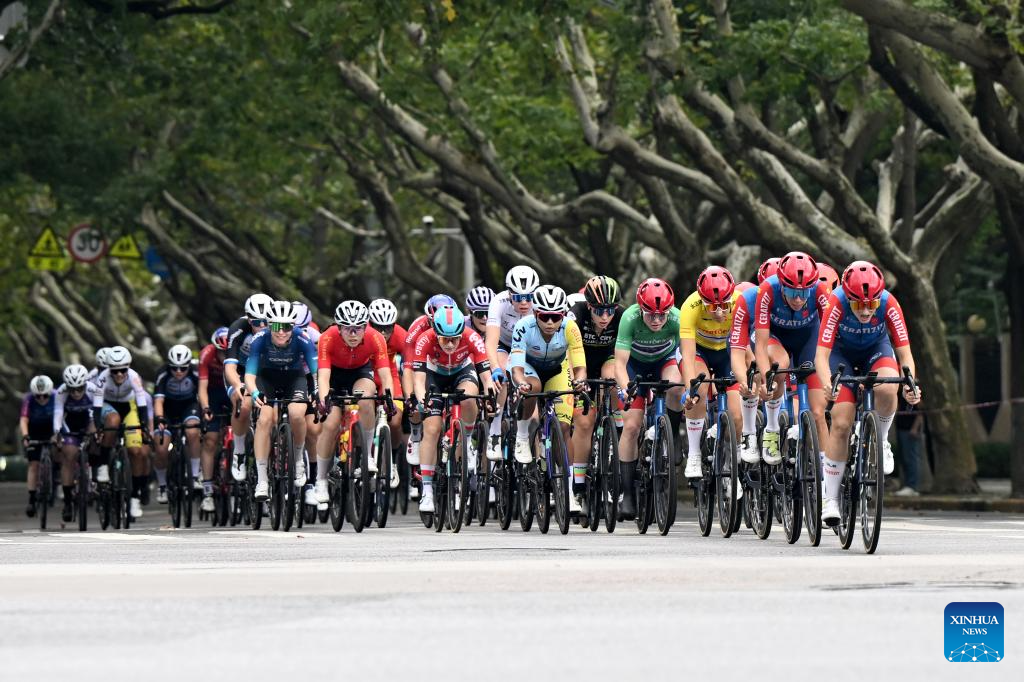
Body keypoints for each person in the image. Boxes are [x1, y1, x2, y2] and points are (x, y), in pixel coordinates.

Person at [814, 261, 921, 525]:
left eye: (870, 305)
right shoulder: (836, 303)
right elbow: (821, 354)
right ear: (848, 297)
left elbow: (904, 353)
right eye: (858, 304)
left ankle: (881, 441)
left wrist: (910, 382)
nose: (864, 310)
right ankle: (831, 499)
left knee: (888, 385)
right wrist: (828, 383)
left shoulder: (889, 302)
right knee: (840, 423)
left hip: (876, 349)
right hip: (841, 355)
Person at [509, 285, 587, 513]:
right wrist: (520, 382)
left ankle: (570, 490)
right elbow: (516, 369)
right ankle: (522, 435)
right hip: (529, 368)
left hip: (557, 369)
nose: (551, 322)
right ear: (535, 314)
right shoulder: (523, 327)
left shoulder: (570, 328)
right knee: (532, 387)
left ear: (562, 315)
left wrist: (580, 380)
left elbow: (580, 366)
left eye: (556, 317)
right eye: (545, 316)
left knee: (563, 427)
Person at [410, 306, 493, 513]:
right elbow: (418, 382)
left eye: (455, 339)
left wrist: (490, 391)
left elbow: (485, 375)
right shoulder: (424, 339)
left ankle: (468, 441)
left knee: (468, 398)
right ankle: (427, 490)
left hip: (461, 371)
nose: (449, 344)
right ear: (435, 333)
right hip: (434, 375)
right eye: (444, 339)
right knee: (431, 429)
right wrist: (423, 401)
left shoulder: (472, 337)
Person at [613, 278, 684, 519]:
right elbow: (619, 365)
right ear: (640, 310)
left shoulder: (677, 317)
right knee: (631, 426)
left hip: (664, 361)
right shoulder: (629, 318)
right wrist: (625, 389)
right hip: (635, 366)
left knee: (676, 386)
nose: (656, 320)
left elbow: (688, 355)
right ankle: (628, 494)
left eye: (661, 315)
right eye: (650, 315)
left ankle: (672, 433)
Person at [754, 252, 830, 466]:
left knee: (817, 412)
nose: (798, 299)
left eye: (804, 292)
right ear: (781, 285)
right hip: (775, 339)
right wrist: (766, 378)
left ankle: (824, 477)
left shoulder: (821, 291)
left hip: (808, 339)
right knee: (780, 365)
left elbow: (832, 341)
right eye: (791, 291)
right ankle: (772, 429)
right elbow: (760, 344)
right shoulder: (768, 290)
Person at [315, 300, 394, 503]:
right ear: (338, 327)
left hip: (360, 372)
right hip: (334, 375)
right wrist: (324, 400)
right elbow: (323, 377)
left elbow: (385, 376)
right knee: (330, 424)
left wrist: (388, 398)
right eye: (347, 329)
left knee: (367, 398)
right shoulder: (327, 338)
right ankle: (321, 480)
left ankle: (366, 455)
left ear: (365, 327)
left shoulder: (375, 338)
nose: (352, 334)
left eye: (358, 328)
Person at [244, 300, 320, 501]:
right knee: (264, 420)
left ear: (292, 326)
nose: (281, 332)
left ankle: (298, 461)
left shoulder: (302, 338)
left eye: (286, 327)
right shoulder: (259, 339)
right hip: (266, 378)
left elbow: (316, 372)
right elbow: (250, 376)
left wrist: (318, 391)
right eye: (276, 326)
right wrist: (254, 393)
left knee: (297, 414)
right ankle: (262, 480)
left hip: (294, 378)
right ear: (269, 325)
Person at [679, 266, 743, 480]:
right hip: (700, 352)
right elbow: (687, 355)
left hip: (728, 352)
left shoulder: (740, 302)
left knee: (736, 415)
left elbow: (747, 348)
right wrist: (690, 390)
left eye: (724, 306)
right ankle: (695, 453)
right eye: (712, 307)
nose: (719, 312)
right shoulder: (691, 306)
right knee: (700, 387)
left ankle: (730, 465)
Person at [567, 276, 624, 505]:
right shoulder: (576, 314)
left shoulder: (621, 317)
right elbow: (567, 353)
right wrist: (574, 382)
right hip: (581, 363)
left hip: (608, 359)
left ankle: (616, 420)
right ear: (589, 305)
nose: (605, 317)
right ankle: (578, 480)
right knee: (584, 422)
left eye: (609, 310)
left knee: (611, 377)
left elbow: (625, 355)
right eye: (599, 311)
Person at [485, 266, 540, 461]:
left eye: (528, 297)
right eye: (518, 298)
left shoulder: (539, 305)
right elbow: (490, 342)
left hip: (529, 349)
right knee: (503, 376)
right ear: (509, 294)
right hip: (504, 345)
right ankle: (495, 430)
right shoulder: (498, 302)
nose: (524, 303)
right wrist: (495, 369)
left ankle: (525, 434)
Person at [91, 345, 150, 518]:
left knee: (136, 451)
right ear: (109, 370)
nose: (118, 375)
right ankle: (103, 465)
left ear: (128, 368)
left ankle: (134, 499)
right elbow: (96, 407)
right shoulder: (102, 378)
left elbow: (141, 404)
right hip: (107, 406)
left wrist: (144, 426)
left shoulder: (134, 377)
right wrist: (98, 428)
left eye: (122, 370)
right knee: (113, 420)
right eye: (114, 371)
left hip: (129, 407)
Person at [223, 292, 275, 482]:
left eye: (265, 322)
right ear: (248, 318)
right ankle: (239, 453)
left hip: (262, 371)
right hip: (240, 370)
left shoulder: (277, 329)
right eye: (256, 322)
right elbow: (229, 366)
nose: (261, 326)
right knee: (244, 404)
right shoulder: (238, 329)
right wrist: (238, 384)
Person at [153, 345, 205, 510]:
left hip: (188, 407)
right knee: (161, 448)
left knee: (192, 432)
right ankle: (162, 486)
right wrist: (160, 418)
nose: (178, 371)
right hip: (167, 409)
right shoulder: (162, 374)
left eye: (183, 367)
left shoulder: (196, 372)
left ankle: (195, 475)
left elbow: (202, 394)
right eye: (174, 367)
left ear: (189, 365)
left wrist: (205, 411)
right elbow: (159, 401)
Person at [52, 364, 96, 522]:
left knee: (96, 444)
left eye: (79, 388)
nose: (76, 393)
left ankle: (98, 479)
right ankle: (68, 501)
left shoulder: (93, 389)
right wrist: (57, 432)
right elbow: (58, 413)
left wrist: (96, 431)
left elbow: (97, 412)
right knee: (69, 455)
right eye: (72, 389)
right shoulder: (61, 392)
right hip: (69, 427)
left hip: (89, 422)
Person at [194, 327, 231, 506]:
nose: (223, 355)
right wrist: (206, 408)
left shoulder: (238, 350)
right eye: (221, 352)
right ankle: (207, 490)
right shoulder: (207, 354)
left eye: (226, 352)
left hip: (231, 390)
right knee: (210, 439)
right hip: (212, 393)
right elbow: (202, 388)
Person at [20, 375, 55, 517]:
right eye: (38, 396)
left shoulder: (56, 396)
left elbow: (62, 415)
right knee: (33, 464)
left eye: (45, 396)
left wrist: (58, 435)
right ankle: (32, 499)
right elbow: (23, 419)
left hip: (52, 429)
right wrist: (25, 436)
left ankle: (57, 482)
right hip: (34, 431)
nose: (41, 399)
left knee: (61, 454)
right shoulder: (28, 399)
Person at [894, 395, 923, 496]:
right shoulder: (900, 388)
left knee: (911, 457)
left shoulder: (914, 388)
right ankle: (907, 485)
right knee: (904, 458)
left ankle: (912, 486)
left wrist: (915, 428)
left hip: (909, 429)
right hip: (901, 427)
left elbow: (920, 411)